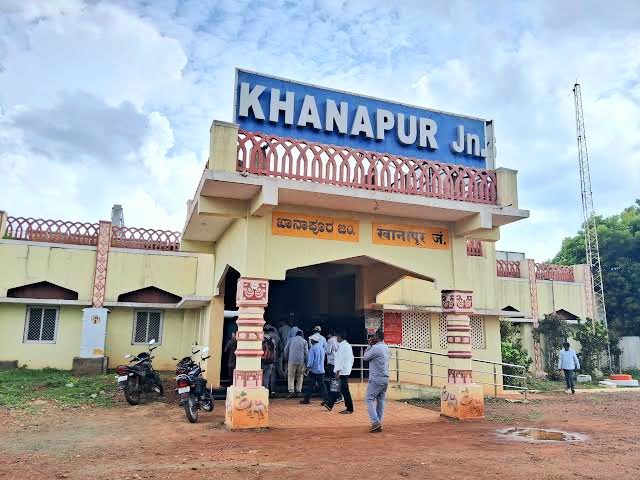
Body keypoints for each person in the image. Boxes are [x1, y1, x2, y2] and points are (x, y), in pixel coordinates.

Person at [363, 329, 390, 432]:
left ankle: (375, 422)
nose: (372, 338)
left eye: (373, 336)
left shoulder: (375, 348)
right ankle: (379, 422)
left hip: (376, 378)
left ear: (377, 337)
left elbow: (365, 357)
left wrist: (369, 345)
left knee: (369, 398)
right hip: (385, 377)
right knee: (381, 400)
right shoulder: (387, 348)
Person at [324, 330, 354, 414]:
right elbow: (352, 358)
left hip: (341, 371)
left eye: (337, 336)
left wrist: (337, 372)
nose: (336, 338)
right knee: (336, 387)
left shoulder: (342, 347)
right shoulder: (347, 345)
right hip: (345, 370)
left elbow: (339, 360)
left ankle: (349, 408)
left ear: (340, 337)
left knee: (343, 390)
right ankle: (329, 404)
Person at [301, 333, 328, 405]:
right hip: (321, 370)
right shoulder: (322, 348)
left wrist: (307, 368)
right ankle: (326, 400)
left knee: (310, 385)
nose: (310, 341)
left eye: (311, 340)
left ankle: (306, 399)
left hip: (314, 370)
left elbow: (311, 361)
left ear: (313, 341)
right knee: (322, 386)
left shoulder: (312, 348)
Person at [284, 330, 308, 398]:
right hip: (301, 361)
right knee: (300, 376)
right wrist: (306, 362)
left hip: (291, 360)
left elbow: (286, 349)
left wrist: (286, 357)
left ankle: (291, 391)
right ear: (302, 335)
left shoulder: (291, 340)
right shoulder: (304, 341)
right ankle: (298, 391)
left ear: (296, 334)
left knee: (291, 376)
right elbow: (306, 352)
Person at [325, 330, 343, 404]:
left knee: (333, 380)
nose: (327, 336)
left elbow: (328, 351)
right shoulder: (338, 340)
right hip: (337, 362)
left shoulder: (330, 340)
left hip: (331, 362)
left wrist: (323, 350)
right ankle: (338, 396)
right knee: (336, 379)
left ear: (330, 334)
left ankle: (337, 396)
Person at [261, 329, 277, 394]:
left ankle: (261, 391)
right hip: (270, 361)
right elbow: (274, 351)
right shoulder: (272, 340)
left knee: (260, 377)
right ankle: (266, 391)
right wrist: (274, 359)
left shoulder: (261, 340)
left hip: (262, 361)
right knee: (266, 378)